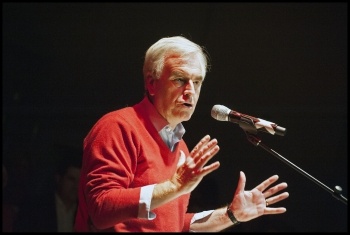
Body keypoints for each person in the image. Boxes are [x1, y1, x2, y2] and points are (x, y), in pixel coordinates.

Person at [74, 36, 289, 232]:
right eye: (179, 80)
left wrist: (231, 215)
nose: (191, 91)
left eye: (197, 82)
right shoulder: (117, 127)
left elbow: (172, 224)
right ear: (152, 83)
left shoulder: (180, 147)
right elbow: (101, 208)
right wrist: (173, 186)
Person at [14, 146, 82, 232]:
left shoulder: (85, 214)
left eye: (80, 182)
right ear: (59, 179)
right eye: (71, 179)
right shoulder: (36, 208)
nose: (76, 186)